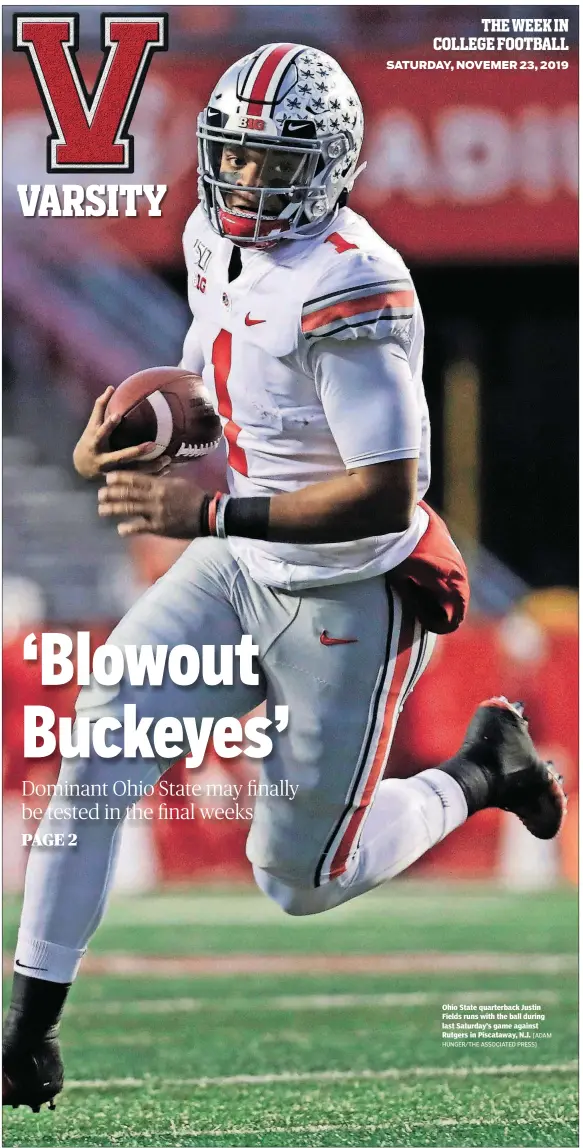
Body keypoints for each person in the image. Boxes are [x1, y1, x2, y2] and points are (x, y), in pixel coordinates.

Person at [3, 42, 566, 1112]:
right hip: (240, 565)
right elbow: (223, 388)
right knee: (99, 739)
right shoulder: (213, 234)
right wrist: (135, 433)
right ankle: (27, 1028)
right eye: (235, 157)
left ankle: (480, 773)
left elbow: (387, 492)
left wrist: (207, 507)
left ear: (331, 163)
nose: (246, 182)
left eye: (271, 162)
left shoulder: (354, 283)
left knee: (298, 879)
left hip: (346, 589)